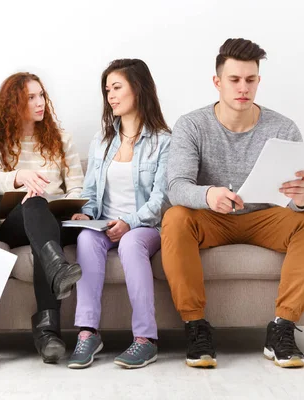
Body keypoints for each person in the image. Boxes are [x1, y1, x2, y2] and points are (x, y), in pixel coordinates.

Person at [161, 38, 304, 369]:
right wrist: (208, 194)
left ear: (258, 81)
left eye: (250, 80)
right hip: (211, 217)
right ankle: (196, 326)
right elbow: (176, 187)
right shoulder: (192, 125)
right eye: (235, 80)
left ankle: (281, 328)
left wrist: (303, 196)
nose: (243, 88)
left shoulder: (282, 127)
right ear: (217, 82)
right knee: (175, 217)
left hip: (263, 217)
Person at [68, 59, 171, 369]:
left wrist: (130, 222)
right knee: (86, 239)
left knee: (130, 243)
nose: (110, 95)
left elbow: (161, 199)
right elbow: (89, 193)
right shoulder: (102, 141)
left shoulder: (164, 141)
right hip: (105, 222)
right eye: (107, 89)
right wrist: (85, 214)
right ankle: (88, 333)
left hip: (145, 225)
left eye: (117, 87)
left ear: (138, 89)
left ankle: (145, 339)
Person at [0, 72, 85, 363]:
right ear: (14, 103)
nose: (40, 102)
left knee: (45, 240)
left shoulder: (60, 138)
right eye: (31, 97)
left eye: (41, 95)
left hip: (56, 220)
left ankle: (48, 335)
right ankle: (47, 329)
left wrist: (79, 209)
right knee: (34, 201)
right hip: (15, 222)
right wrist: (20, 178)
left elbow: (76, 184)